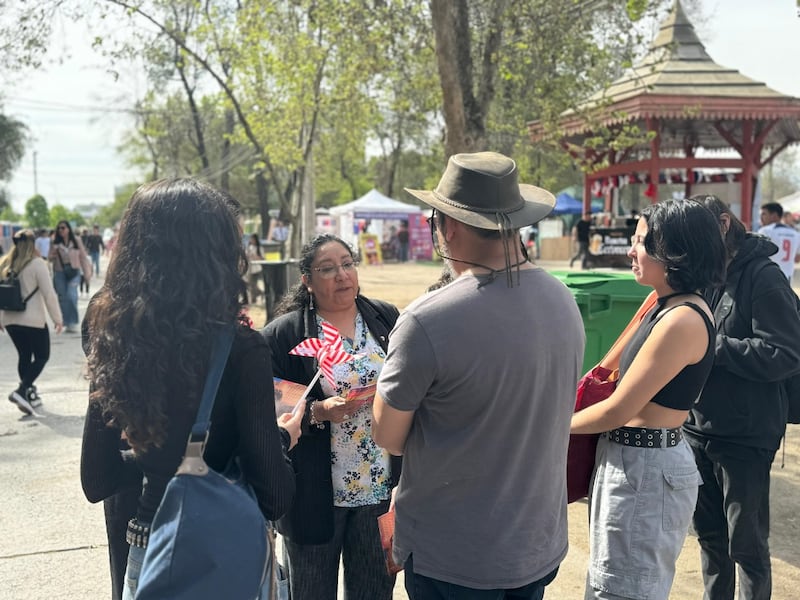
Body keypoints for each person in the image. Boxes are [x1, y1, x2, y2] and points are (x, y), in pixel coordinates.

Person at [372, 151, 584, 599]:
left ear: (448, 227)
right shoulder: (563, 301)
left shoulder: (427, 321)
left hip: (455, 555)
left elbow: (389, 436)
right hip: (534, 543)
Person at [79, 178, 303, 600]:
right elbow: (274, 496)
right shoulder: (239, 348)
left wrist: (159, 460)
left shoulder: (114, 336)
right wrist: (281, 438)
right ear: (216, 250)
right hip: (222, 556)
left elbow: (98, 478)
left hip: (147, 557)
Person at [571, 199, 726, 600]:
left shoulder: (682, 319)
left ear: (674, 252)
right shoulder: (665, 306)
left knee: (622, 590)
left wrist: (549, 424)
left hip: (644, 468)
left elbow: (620, 408)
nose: (631, 250)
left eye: (641, 241)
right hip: (633, 461)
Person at [261, 233, 400, 600]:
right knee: (310, 592)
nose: (342, 274)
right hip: (314, 492)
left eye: (347, 264)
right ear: (307, 280)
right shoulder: (284, 334)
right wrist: (318, 411)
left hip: (380, 488)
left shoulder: (386, 318)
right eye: (327, 268)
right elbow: (268, 405)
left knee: (375, 591)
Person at [685, 194, 800, 600]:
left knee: (746, 546)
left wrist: (712, 346)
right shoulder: (701, 271)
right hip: (697, 428)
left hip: (746, 435)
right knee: (711, 539)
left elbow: (786, 353)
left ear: (722, 225)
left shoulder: (764, 277)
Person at [1, 229, 63, 415]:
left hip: (11, 320)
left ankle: (28, 393)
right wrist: (57, 319)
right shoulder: (38, 264)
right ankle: (22, 390)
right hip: (33, 320)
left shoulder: (5, 263)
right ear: (33, 243)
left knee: (24, 356)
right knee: (42, 356)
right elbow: (49, 294)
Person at [48, 220, 89, 333]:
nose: (61, 230)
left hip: (74, 272)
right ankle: (66, 321)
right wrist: (53, 254)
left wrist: (87, 274)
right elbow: (49, 258)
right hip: (60, 272)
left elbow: (83, 257)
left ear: (68, 229)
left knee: (72, 296)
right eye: (59, 228)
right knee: (63, 298)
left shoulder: (76, 240)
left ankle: (73, 322)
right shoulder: (54, 242)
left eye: (63, 228)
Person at [757, 201, 800, 281]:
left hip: (768, 277)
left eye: (764, 214)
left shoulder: (765, 231)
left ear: (774, 216)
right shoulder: (795, 233)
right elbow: (797, 259)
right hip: (787, 278)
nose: (761, 218)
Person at [246, 233, 264, 304]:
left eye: (253, 239)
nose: (251, 240)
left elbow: (262, 258)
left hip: (257, 268)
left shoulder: (260, 248)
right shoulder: (249, 247)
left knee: (253, 284)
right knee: (251, 285)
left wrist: (255, 256)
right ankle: (257, 296)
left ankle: (258, 295)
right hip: (250, 268)